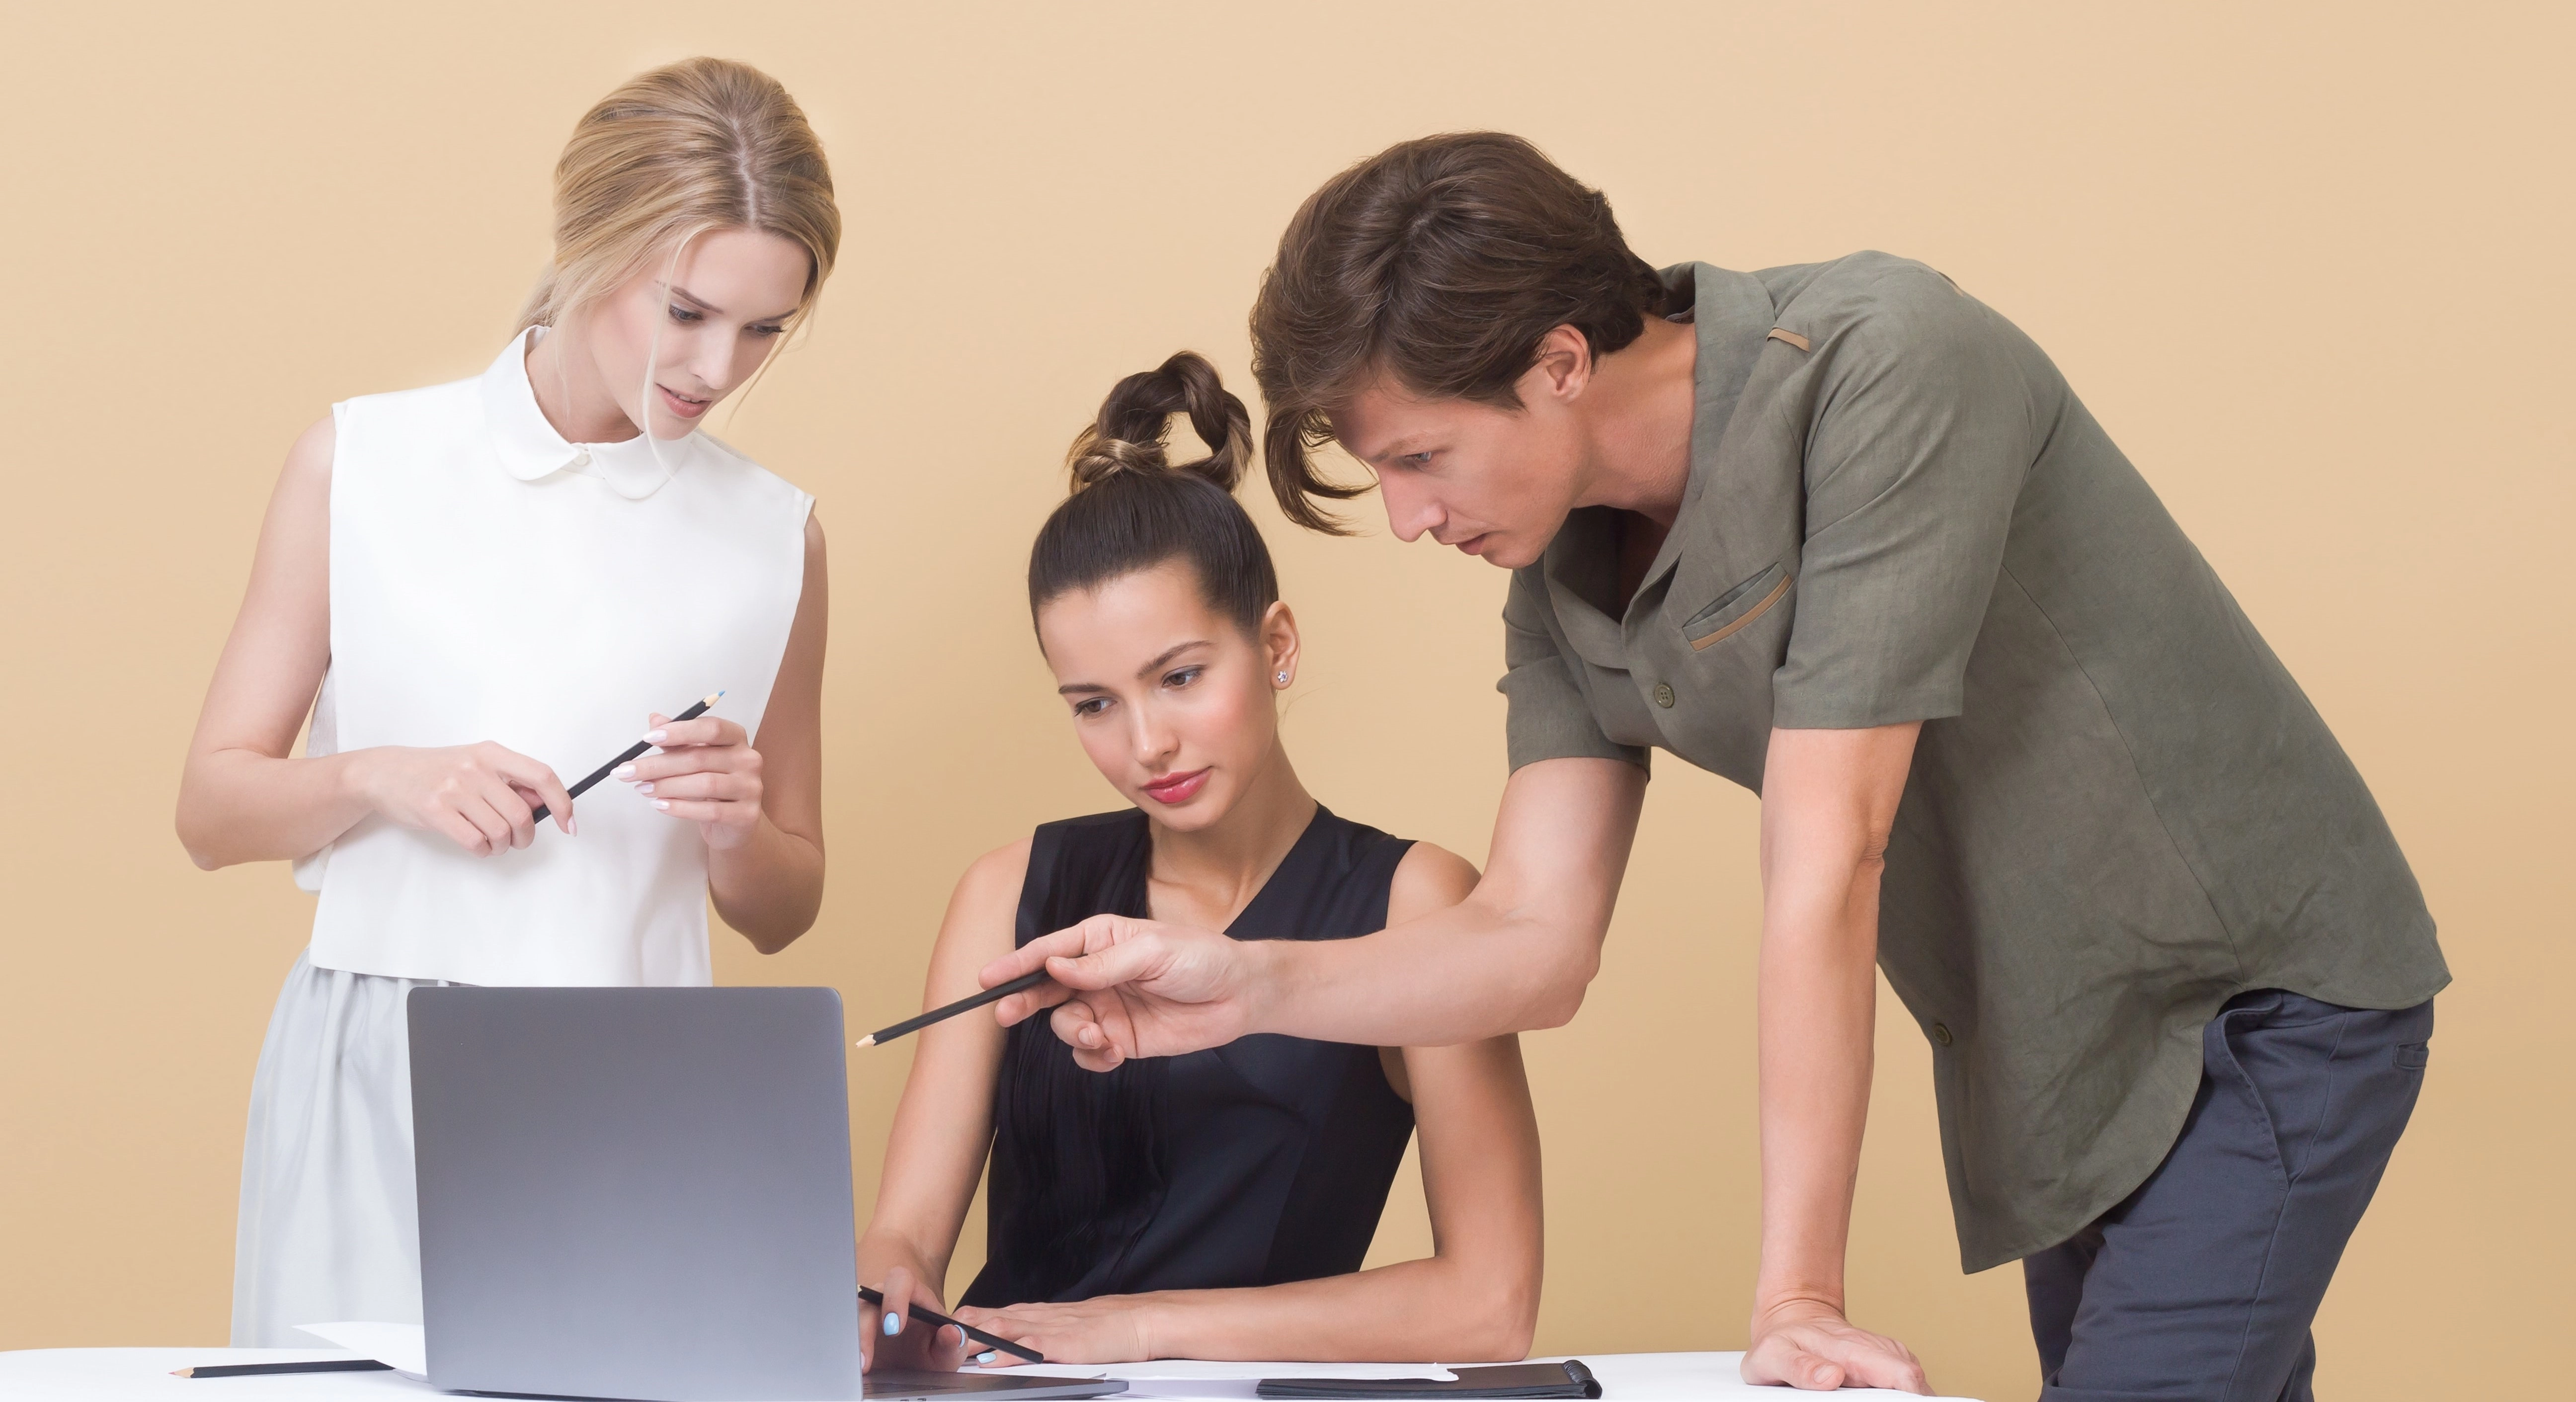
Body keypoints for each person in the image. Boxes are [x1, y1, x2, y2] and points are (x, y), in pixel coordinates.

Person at [988, 135, 2447, 1400]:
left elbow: (1832, 858)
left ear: (1560, 361)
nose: (1411, 519)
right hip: (2053, 1053)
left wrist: (1795, 1296)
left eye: (1422, 458)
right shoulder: (1561, 565)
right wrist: (1239, 986)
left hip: (2251, 999)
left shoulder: (1887, 365)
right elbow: (1531, 940)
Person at [174, 58, 840, 1346]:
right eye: (689, 310)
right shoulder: (362, 461)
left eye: (766, 329)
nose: (720, 367)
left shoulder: (778, 539)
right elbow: (210, 809)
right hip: (378, 1057)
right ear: (592, 244)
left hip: (642, 1083)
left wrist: (734, 823)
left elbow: (784, 907)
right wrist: (380, 775)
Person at [856, 353, 1542, 1371]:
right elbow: (904, 1239)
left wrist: (1136, 1330)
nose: (1146, 745)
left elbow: (1491, 1305)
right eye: (1093, 704)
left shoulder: (1415, 904)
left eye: (1179, 677)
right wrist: (888, 1293)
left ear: (1276, 646)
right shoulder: (1009, 894)